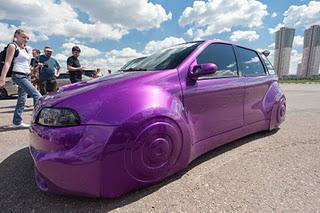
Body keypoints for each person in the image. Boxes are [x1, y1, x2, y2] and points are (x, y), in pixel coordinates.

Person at [0, 29, 42, 128]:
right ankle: (37, 122)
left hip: (26, 75)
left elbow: (25, 65)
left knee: (22, 100)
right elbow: (7, 62)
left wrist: (35, 69)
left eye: (27, 38)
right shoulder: (12, 46)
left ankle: (16, 122)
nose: (26, 39)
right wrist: (2, 78)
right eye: (23, 37)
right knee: (38, 96)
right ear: (16, 36)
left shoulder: (25, 49)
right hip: (18, 75)